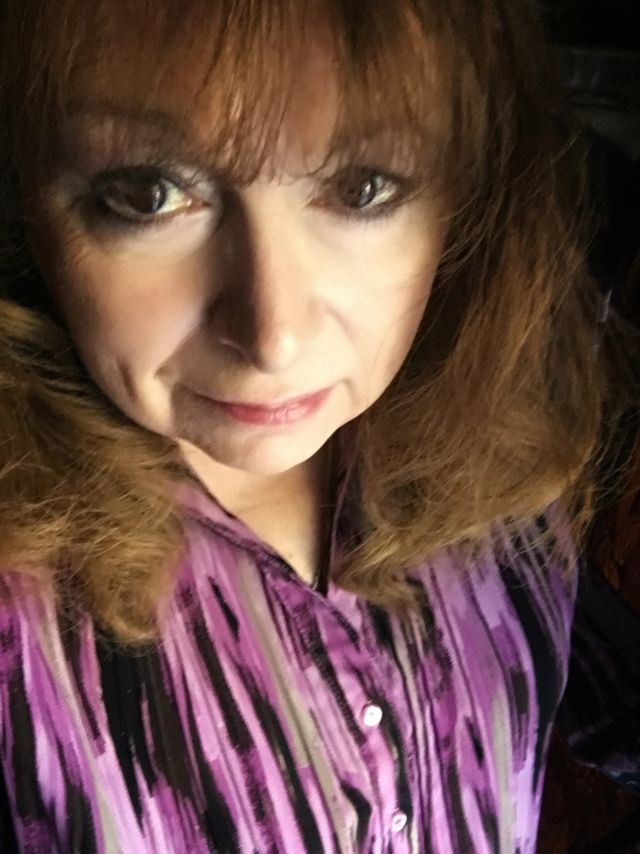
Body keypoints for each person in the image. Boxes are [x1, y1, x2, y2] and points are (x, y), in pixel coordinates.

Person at [0, 1, 630, 851]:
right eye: (148, 194)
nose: (274, 336)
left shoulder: (501, 467)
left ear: (468, 196)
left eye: (364, 187)